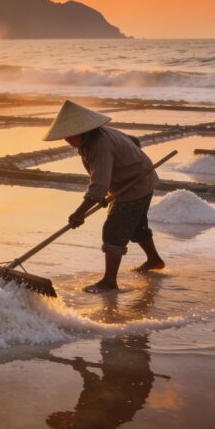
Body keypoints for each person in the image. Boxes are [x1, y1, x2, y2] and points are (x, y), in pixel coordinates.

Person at [43, 100, 164, 293]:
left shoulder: (100, 146)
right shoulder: (94, 137)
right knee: (136, 227)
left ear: (81, 131)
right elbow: (134, 141)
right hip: (136, 181)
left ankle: (109, 282)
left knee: (113, 230)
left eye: (68, 136)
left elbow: (99, 186)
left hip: (135, 186)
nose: (66, 140)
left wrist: (79, 213)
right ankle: (154, 260)